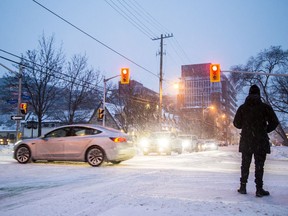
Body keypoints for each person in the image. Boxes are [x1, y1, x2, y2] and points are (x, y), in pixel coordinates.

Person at [233, 84, 279, 197]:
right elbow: (274, 122)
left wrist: (246, 126)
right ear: (259, 94)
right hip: (260, 141)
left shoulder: (243, 108)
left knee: (245, 165)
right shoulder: (265, 107)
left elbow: (236, 123)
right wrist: (265, 130)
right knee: (259, 166)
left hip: (247, 140)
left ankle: (243, 187)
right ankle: (259, 189)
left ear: (249, 94)